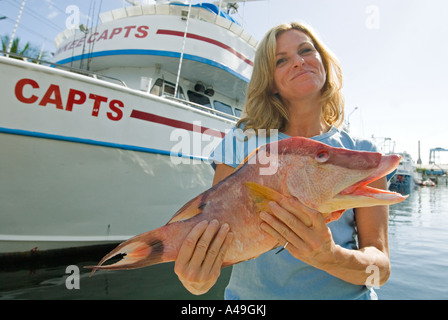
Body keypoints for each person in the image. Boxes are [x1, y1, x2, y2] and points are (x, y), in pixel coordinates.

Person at [174, 22, 391, 299]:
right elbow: (215, 233)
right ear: (271, 83)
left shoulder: (361, 155)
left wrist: (329, 256)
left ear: (323, 62)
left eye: (306, 51)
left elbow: (381, 270)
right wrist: (197, 282)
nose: (299, 62)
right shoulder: (242, 140)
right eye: (281, 60)